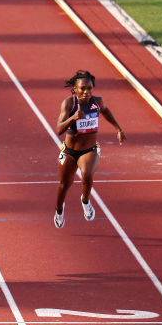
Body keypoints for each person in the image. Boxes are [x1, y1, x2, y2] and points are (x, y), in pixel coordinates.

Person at [53, 70, 125, 228]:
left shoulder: (97, 102)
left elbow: (106, 111)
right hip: (69, 151)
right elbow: (58, 129)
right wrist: (73, 118)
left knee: (86, 174)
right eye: (83, 88)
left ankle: (85, 200)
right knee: (65, 184)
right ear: (75, 88)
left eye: (90, 88)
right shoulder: (69, 103)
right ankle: (59, 210)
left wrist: (118, 129)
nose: (87, 92)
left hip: (89, 149)